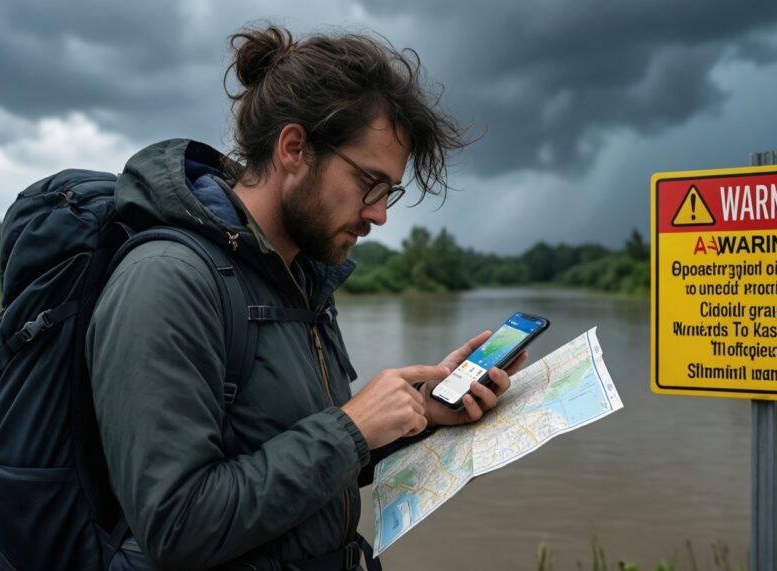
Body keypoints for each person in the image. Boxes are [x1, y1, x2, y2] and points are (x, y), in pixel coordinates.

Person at [85, 24, 526, 571]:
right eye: (369, 182)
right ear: (294, 148)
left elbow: (296, 458)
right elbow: (176, 526)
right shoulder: (167, 281)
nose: (379, 214)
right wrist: (353, 426)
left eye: (389, 191)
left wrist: (419, 414)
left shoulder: (302, 281)